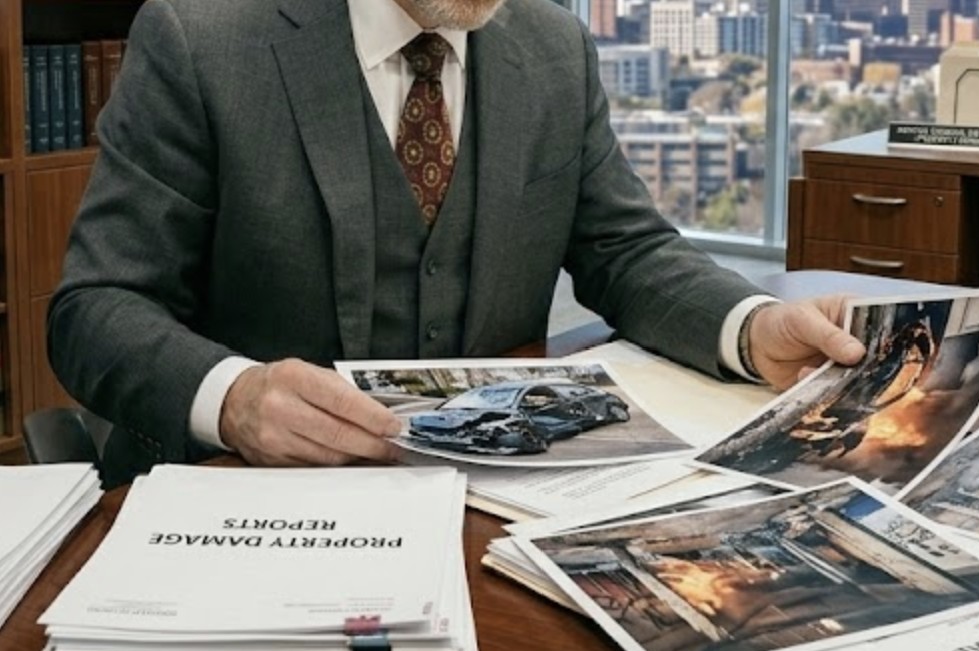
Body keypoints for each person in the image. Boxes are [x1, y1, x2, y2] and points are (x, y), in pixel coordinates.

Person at [47, 0, 866, 486]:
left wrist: (751, 326)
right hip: (246, 500)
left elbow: (627, 251)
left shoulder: (554, 49)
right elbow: (97, 306)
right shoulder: (203, 38)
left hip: (490, 504)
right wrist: (231, 397)